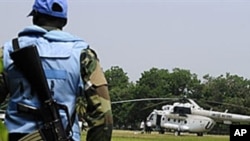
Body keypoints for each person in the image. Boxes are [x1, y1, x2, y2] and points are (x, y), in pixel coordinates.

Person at [0, 0, 113, 141]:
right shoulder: (83, 55)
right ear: (64, 20)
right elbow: (103, 113)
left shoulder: (7, 52)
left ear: (34, 17)